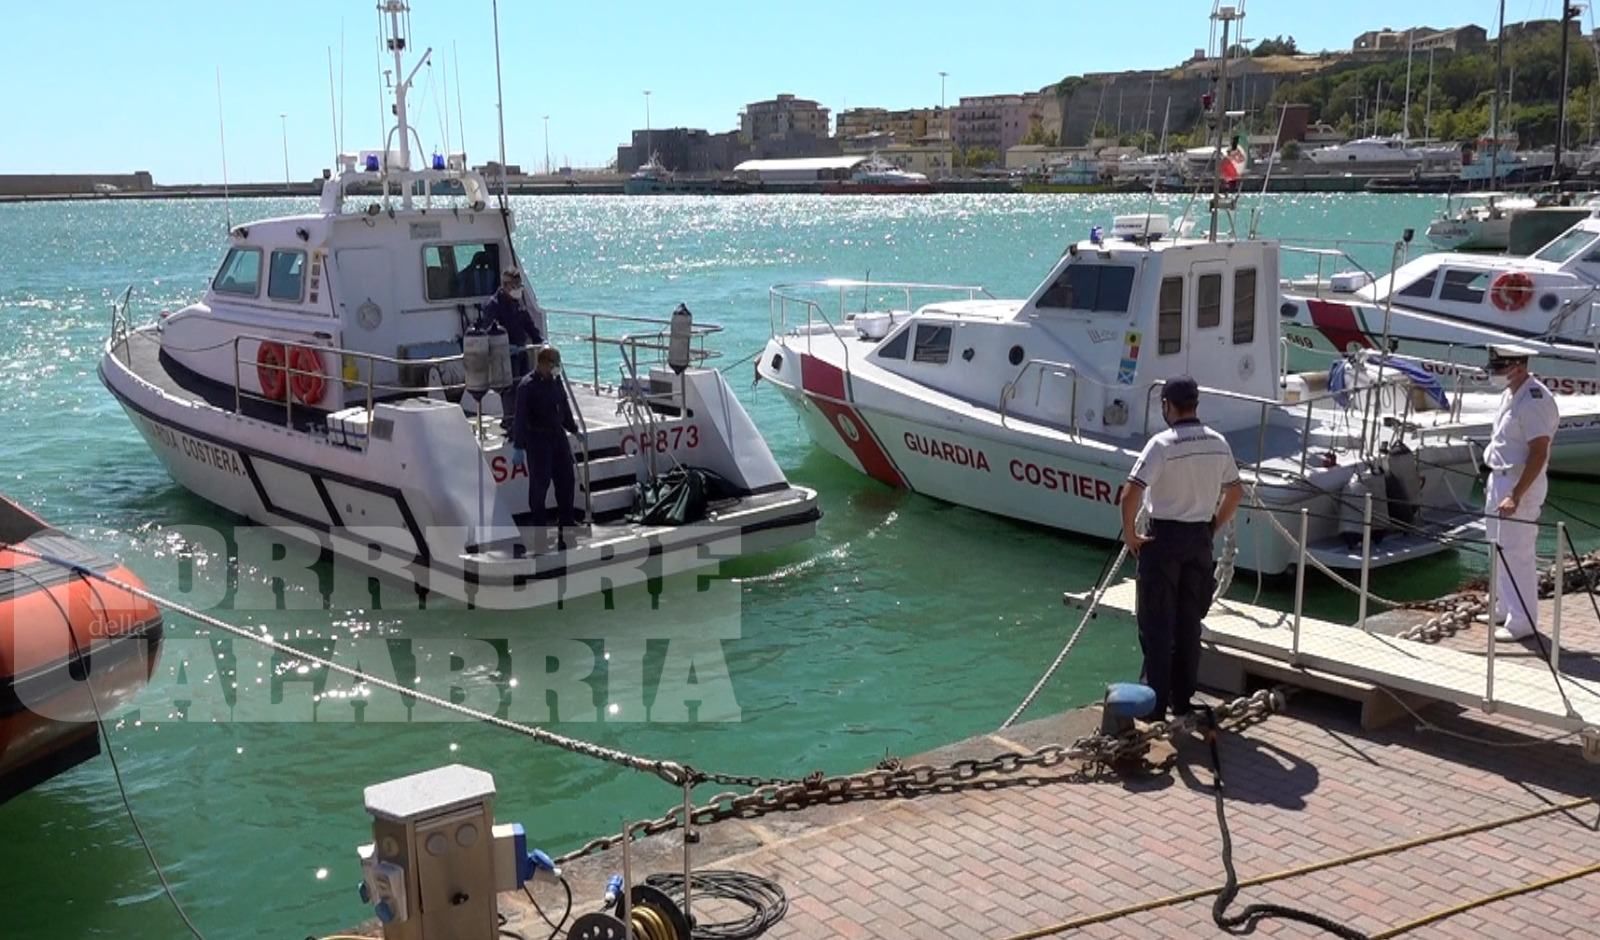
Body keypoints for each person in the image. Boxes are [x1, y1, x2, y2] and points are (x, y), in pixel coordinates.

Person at [1119, 377, 1244, 720]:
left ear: (1166, 405)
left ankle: (1155, 705)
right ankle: (1183, 699)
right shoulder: (1218, 443)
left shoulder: (1162, 444)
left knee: (1157, 623)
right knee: (1189, 623)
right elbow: (1235, 492)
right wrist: (1213, 527)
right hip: (1199, 540)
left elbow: (1130, 493)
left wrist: (1130, 535)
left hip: (1164, 540)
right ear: (1196, 404)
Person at [1482, 343, 1558, 642]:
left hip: (1519, 483)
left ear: (1518, 366)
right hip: (1498, 479)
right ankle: (1504, 607)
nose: (1496, 373)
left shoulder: (1535, 400)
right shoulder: (1510, 395)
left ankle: (1523, 620)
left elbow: (1538, 453)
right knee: (1497, 546)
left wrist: (1516, 494)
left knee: (1518, 552)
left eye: (1500, 367)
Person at [512, 346, 581, 550]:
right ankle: (540, 537)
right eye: (553, 364)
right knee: (539, 489)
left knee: (567, 483)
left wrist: (574, 429)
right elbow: (520, 418)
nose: (556, 368)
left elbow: (564, 406)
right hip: (538, 440)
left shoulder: (556, 381)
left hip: (557, 437)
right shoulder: (527, 386)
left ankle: (566, 534)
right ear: (542, 363)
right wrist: (518, 445)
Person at [481, 268, 543, 379]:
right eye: (515, 286)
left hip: (521, 351)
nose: (518, 289)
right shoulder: (493, 305)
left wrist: (539, 341)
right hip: (505, 355)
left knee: (525, 380)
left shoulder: (517, 302)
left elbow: (528, 324)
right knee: (512, 386)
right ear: (505, 286)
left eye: (519, 285)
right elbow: (486, 331)